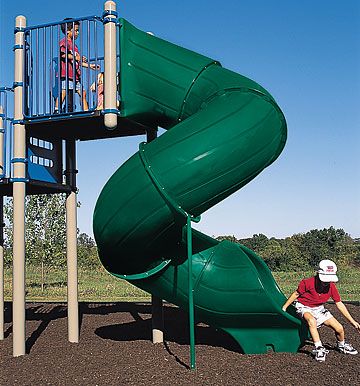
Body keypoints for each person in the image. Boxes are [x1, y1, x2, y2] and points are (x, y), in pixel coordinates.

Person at [282, 259, 360, 362]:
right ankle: (318, 348)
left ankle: (341, 345)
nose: (326, 283)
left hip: (319, 308)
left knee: (339, 328)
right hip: (304, 307)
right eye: (325, 280)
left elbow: (339, 304)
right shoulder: (307, 283)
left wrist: (352, 321)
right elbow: (296, 294)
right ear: (318, 273)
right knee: (312, 321)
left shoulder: (331, 287)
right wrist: (284, 307)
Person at [55, 18, 99, 113]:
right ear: (67, 31)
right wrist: (76, 57)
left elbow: (78, 61)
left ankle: (86, 110)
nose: (77, 33)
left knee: (82, 93)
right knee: (63, 92)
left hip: (75, 77)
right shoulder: (64, 42)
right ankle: (56, 109)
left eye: (78, 30)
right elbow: (63, 54)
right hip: (67, 75)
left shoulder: (75, 47)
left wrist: (89, 65)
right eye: (75, 30)